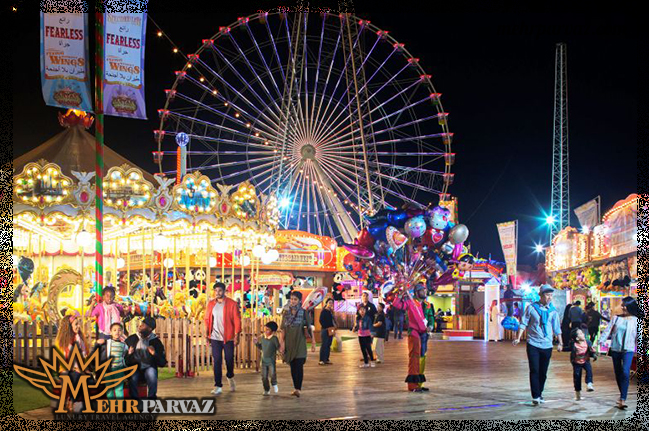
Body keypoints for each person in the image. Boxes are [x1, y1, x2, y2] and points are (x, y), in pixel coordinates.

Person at [513, 285, 562, 406]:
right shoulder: (531, 308)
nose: (549, 298)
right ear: (541, 295)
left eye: (551, 295)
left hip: (547, 345)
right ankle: (535, 396)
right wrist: (518, 337)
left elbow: (556, 328)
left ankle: (540, 393)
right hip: (533, 343)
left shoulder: (553, 311)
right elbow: (523, 323)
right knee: (534, 369)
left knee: (543, 372)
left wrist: (560, 342)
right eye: (547, 295)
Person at [599, 296, 639, 409]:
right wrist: (600, 341)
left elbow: (638, 337)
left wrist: (639, 350)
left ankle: (623, 398)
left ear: (630, 306)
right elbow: (608, 330)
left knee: (626, 372)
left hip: (629, 350)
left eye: (625, 305)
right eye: (622, 305)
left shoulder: (636, 320)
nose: (623, 307)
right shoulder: (616, 318)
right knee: (618, 373)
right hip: (616, 349)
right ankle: (622, 395)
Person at [204, 282, 242, 395]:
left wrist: (237, 335)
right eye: (215, 290)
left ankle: (230, 376)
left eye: (220, 290)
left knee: (229, 359)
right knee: (217, 361)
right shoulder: (211, 304)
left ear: (224, 291)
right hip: (215, 337)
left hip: (228, 337)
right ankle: (218, 385)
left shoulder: (232, 304)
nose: (217, 293)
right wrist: (206, 335)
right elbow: (207, 319)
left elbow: (237, 320)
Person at [393, 284, 430, 392]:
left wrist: (428, 327)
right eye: (422, 290)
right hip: (414, 333)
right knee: (414, 358)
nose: (425, 292)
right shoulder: (410, 302)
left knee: (420, 359)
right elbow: (396, 304)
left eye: (425, 290)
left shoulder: (421, 304)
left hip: (422, 334)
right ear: (417, 292)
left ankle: (418, 384)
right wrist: (400, 294)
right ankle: (412, 386)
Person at [280, 290, 316, 398]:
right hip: (289, 341)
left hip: (300, 341)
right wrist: (282, 343)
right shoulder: (286, 312)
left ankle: (298, 388)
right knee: (292, 365)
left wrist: (313, 341)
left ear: (299, 300)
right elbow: (283, 329)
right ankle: (295, 387)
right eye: (291, 299)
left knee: (299, 364)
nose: (293, 301)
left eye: (295, 299)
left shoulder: (303, 312)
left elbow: (309, 327)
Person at [125, 316, 167, 401]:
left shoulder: (156, 342)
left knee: (152, 374)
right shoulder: (132, 339)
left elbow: (162, 362)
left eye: (144, 325)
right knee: (132, 377)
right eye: (141, 324)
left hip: (148, 367)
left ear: (150, 329)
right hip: (135, 367)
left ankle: (151, 400)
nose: (140, 326)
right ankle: (135, 401)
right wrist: (129, 354)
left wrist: (154, 354)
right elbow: (124, 359)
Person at [55, 313, 89, 409]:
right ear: (69, 327)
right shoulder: (61, 341)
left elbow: (86, 354)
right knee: (70, 376)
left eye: (78, 324)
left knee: (80, 377)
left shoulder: (80, 338)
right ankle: (70, 400)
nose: (78, 326)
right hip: (66, 367)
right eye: (76, 324)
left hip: (79, 367)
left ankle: (72, 401)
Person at [94, 322, 128, 399]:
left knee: (119, 389)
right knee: (109, 390)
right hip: (108, 370)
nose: (117, 332)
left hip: (119, 369)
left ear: (122, 332)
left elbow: (125, 356)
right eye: (114, 330)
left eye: (119, 330)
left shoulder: (124, 345)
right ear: (111, 332)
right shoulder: (107, 342)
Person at [254, 321, 281, 396]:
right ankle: (266, 389)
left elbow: (278, 347)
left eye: (268, 330)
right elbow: (261, 347)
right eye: (265, 329)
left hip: (271, 361)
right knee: (264, 376)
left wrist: (281, 351)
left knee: (272, 374)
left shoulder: (274, 339)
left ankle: (274, 383)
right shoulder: (263, 338)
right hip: (264, 361)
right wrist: (256, 343)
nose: (265, 331)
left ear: (272, 331)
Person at [570, 327, 597, 401]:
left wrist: (594, 354)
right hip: (576, 363)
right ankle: (577, 394)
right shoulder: (573, 345)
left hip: (585, 361)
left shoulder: (587, 342)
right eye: (581, 333)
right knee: (577, 377)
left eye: (582, 333)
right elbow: (570, 351)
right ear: (577, 338)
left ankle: (589, 384)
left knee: (589, 371)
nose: (583, 334)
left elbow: (591, 350)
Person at [319, 298, 336, 365]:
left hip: (331, 329)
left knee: (329, 344)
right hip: (325, 329)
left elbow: (332, 321)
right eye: (329, 302)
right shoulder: (324, 311)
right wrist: (326, 327)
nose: (331, 304)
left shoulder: (331, 311)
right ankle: (321, 359)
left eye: (332, 303)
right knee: (324, 344)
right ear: (326, 303)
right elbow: (321, 320)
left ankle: (326, 359)